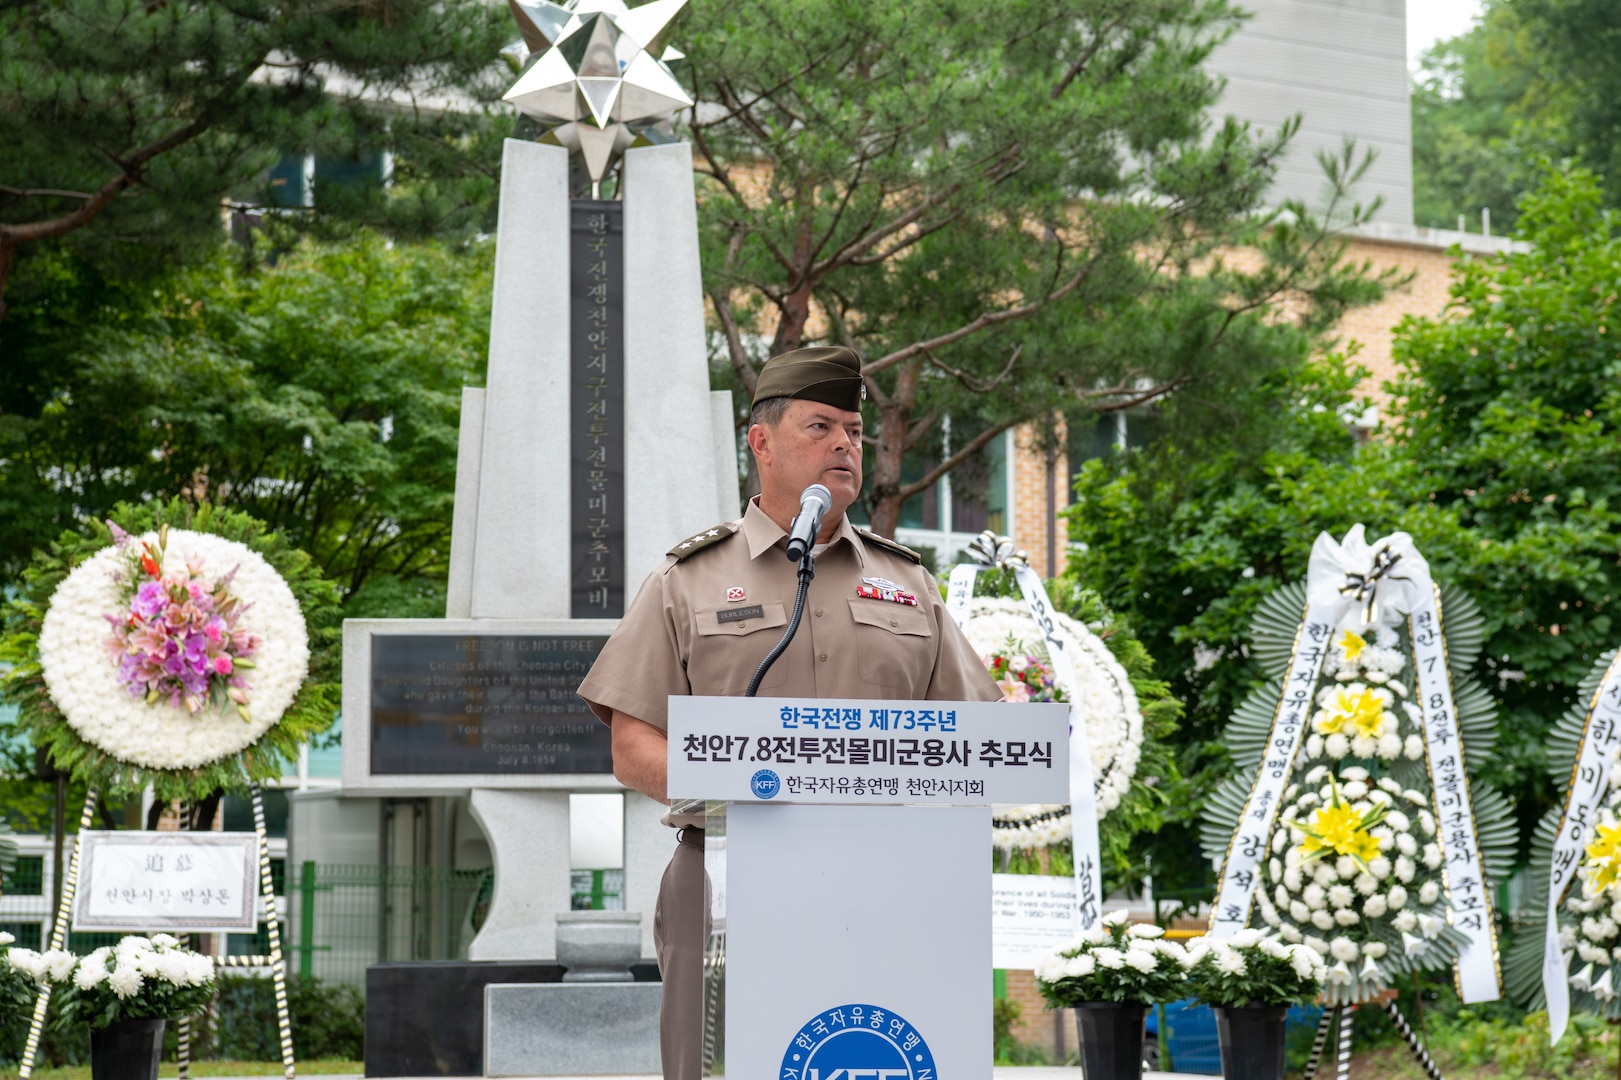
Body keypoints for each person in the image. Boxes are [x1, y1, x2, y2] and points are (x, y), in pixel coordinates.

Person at [576, 344, 1000, 1080]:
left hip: (889, 872)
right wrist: (746, 785)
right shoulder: (687, 581)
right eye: (819, 426)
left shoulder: (907, 584)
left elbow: (975, 739)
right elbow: (633, 745)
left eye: (853, 430)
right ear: (761, 443)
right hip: (725, 875)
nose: (843, 443)